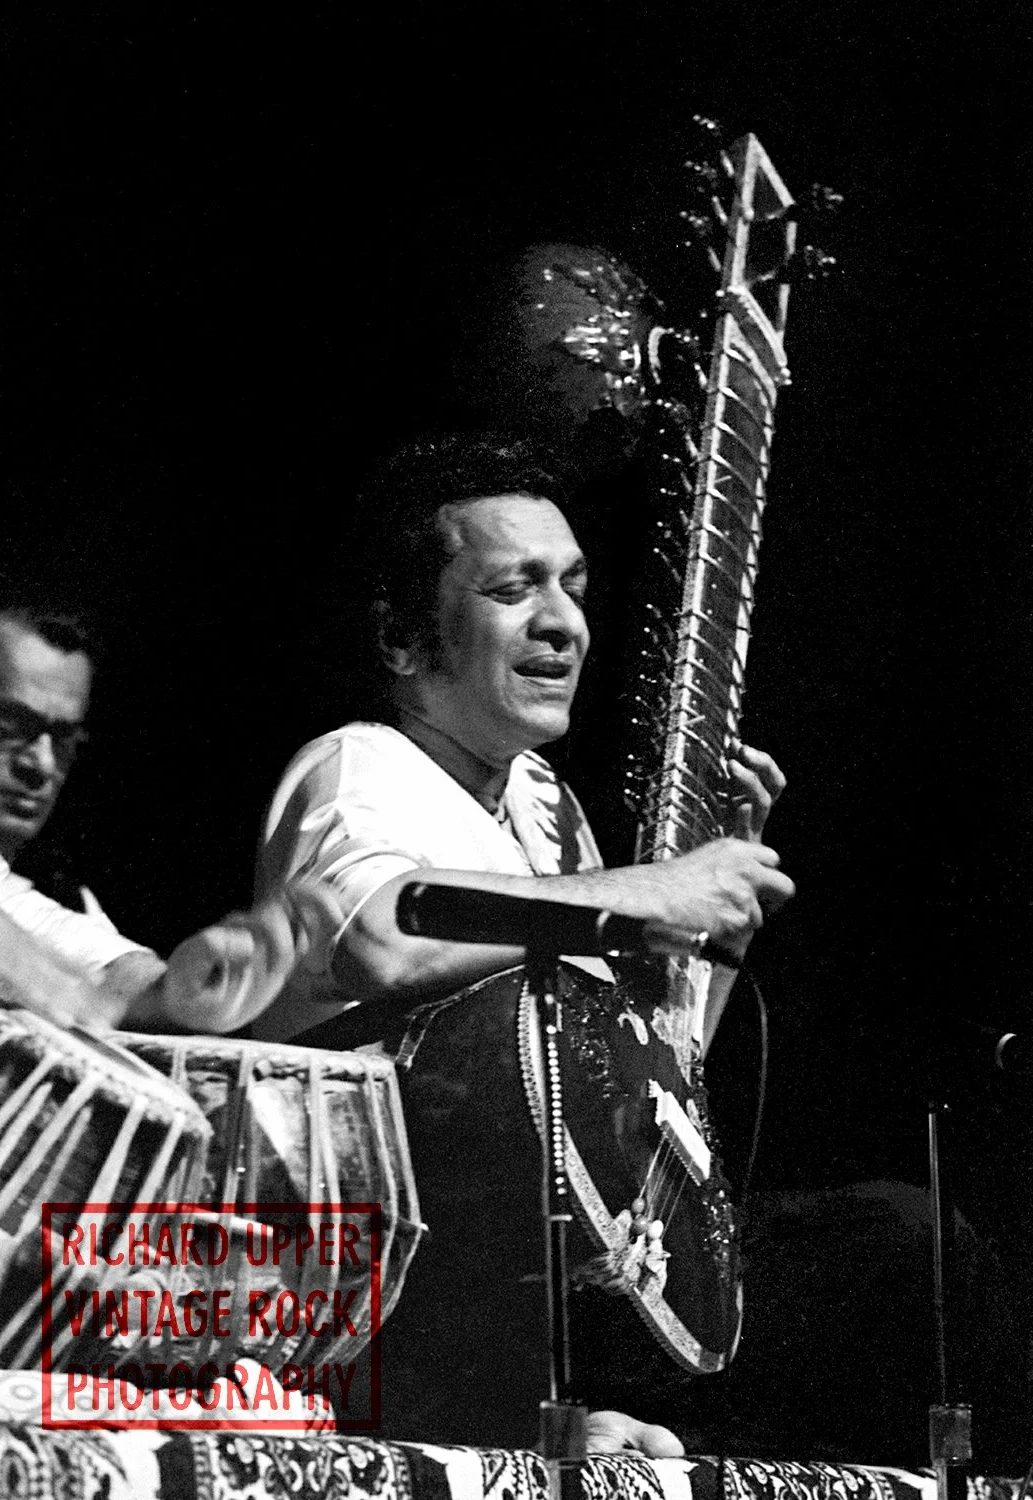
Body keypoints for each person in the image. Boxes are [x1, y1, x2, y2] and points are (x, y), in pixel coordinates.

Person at [251, 431, 794, 1449]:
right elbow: (379, 938)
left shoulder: (544, 811)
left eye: (573, 585)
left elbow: (643, 1074)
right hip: (381, 1311)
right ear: (405, 641)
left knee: (886, 1253)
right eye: (513, 589)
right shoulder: (357, 768)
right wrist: (644, 890)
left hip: (531, 1292)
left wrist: (714, 916)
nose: (563, 624)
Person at [0, 590, 306, 1035]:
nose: (41, 764)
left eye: (61, 739)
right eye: (10, 725)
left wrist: (187, 988)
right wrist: (49, 983)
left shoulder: (56, 893)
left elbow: (102, 968)